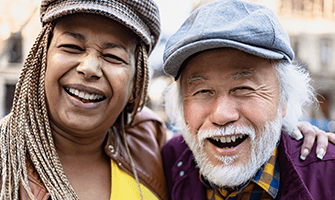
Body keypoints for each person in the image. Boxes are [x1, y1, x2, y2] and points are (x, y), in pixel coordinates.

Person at [161, 0, 335, 199]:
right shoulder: (168, 163)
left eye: (243, 89)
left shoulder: (329, 175)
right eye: (202, 91)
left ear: (283, 99)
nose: (222, 115)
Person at [0, 0, 168, 199]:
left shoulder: (151, 138)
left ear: (136, 83)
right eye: (72, 47)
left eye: (113, 56)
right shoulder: (6, 158)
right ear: (41, 61)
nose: (88, 68)